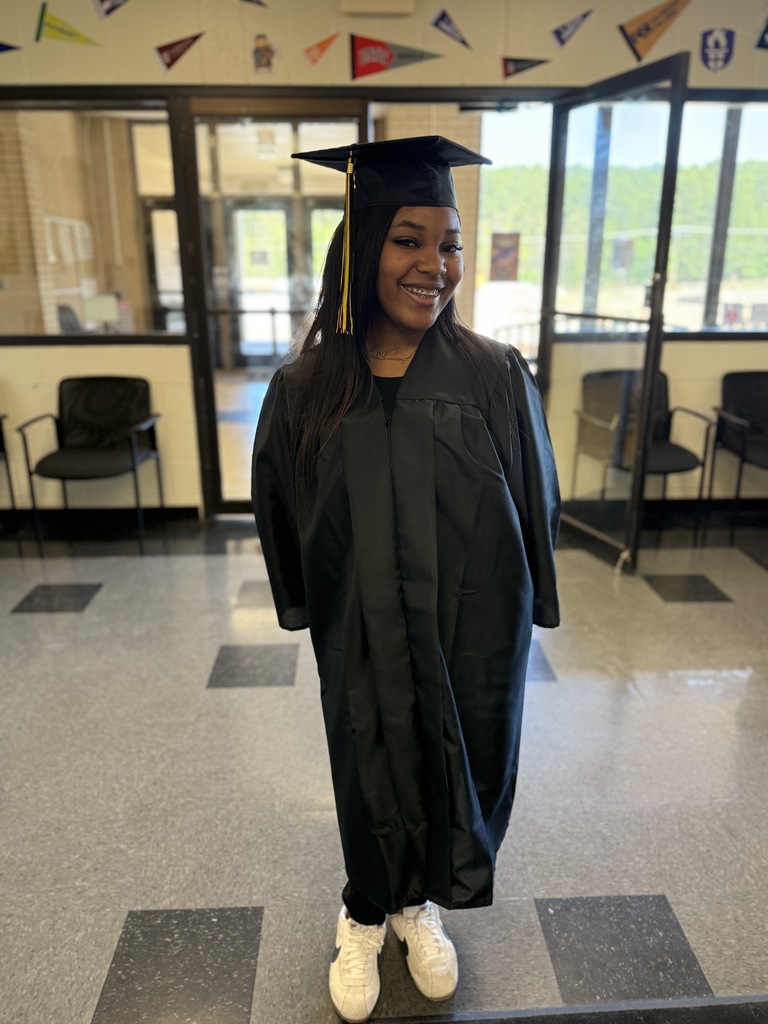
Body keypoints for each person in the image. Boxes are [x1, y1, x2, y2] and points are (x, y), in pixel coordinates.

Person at [252, 136, 560, 1023]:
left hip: (471, 629)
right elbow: (278, 500)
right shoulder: (305, 386)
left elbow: (534, 491)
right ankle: (362, 910)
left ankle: (415, 906)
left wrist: (539, 594)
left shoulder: (493, 372)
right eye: (409, 240)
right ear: (361, 249)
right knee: (367, 757)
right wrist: (301, 603)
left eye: (450, 243)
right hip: (361, 627)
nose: (436, 265)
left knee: (456, 758)